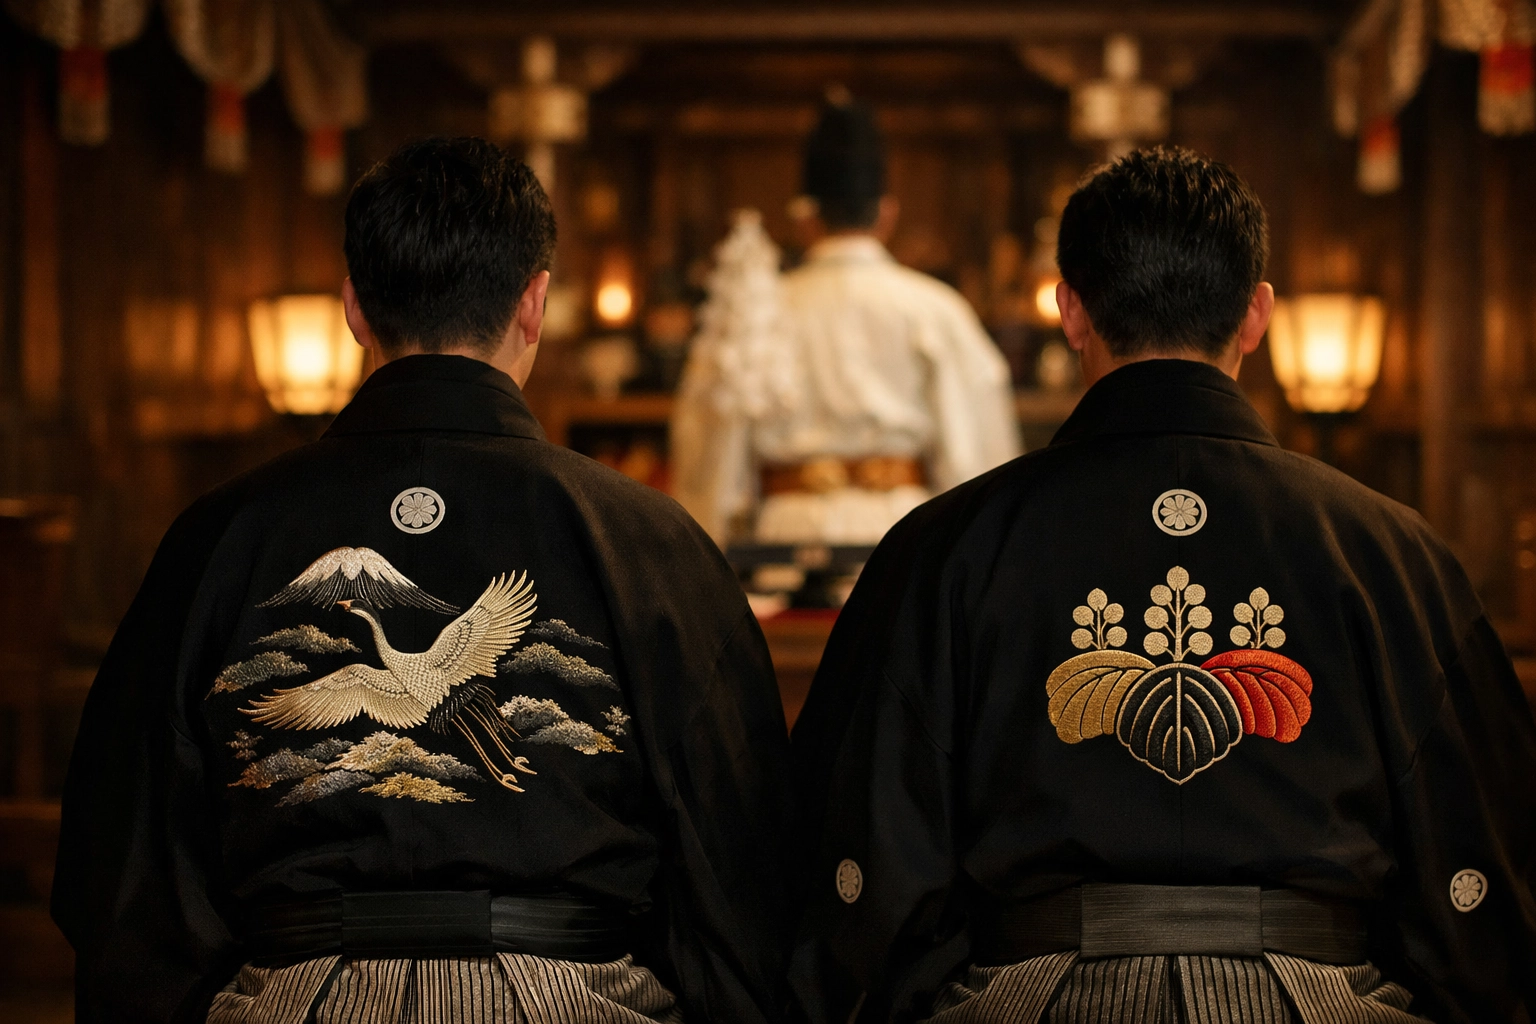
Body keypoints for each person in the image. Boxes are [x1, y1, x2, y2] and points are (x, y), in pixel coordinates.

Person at [53, 137, 794, 1024]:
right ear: (536, 302)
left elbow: (120, 858)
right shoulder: (645, 537)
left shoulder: (218, 537)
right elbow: (742, 857)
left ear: (355, 308)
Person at [788, 147, 1536, 1023]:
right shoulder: (1390, 555)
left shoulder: (947, 548)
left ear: (1071, 309)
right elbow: (1484, 862)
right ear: (1257, 316)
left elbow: (861, 862)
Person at [671, 93, 1021, 547]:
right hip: (904, 540)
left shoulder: (754, 310)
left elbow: (710, 458)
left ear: (805, 218)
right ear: (887, 214)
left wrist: (710, 546)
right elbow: (976, 457)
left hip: (784, 540)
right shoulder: (936, 309)